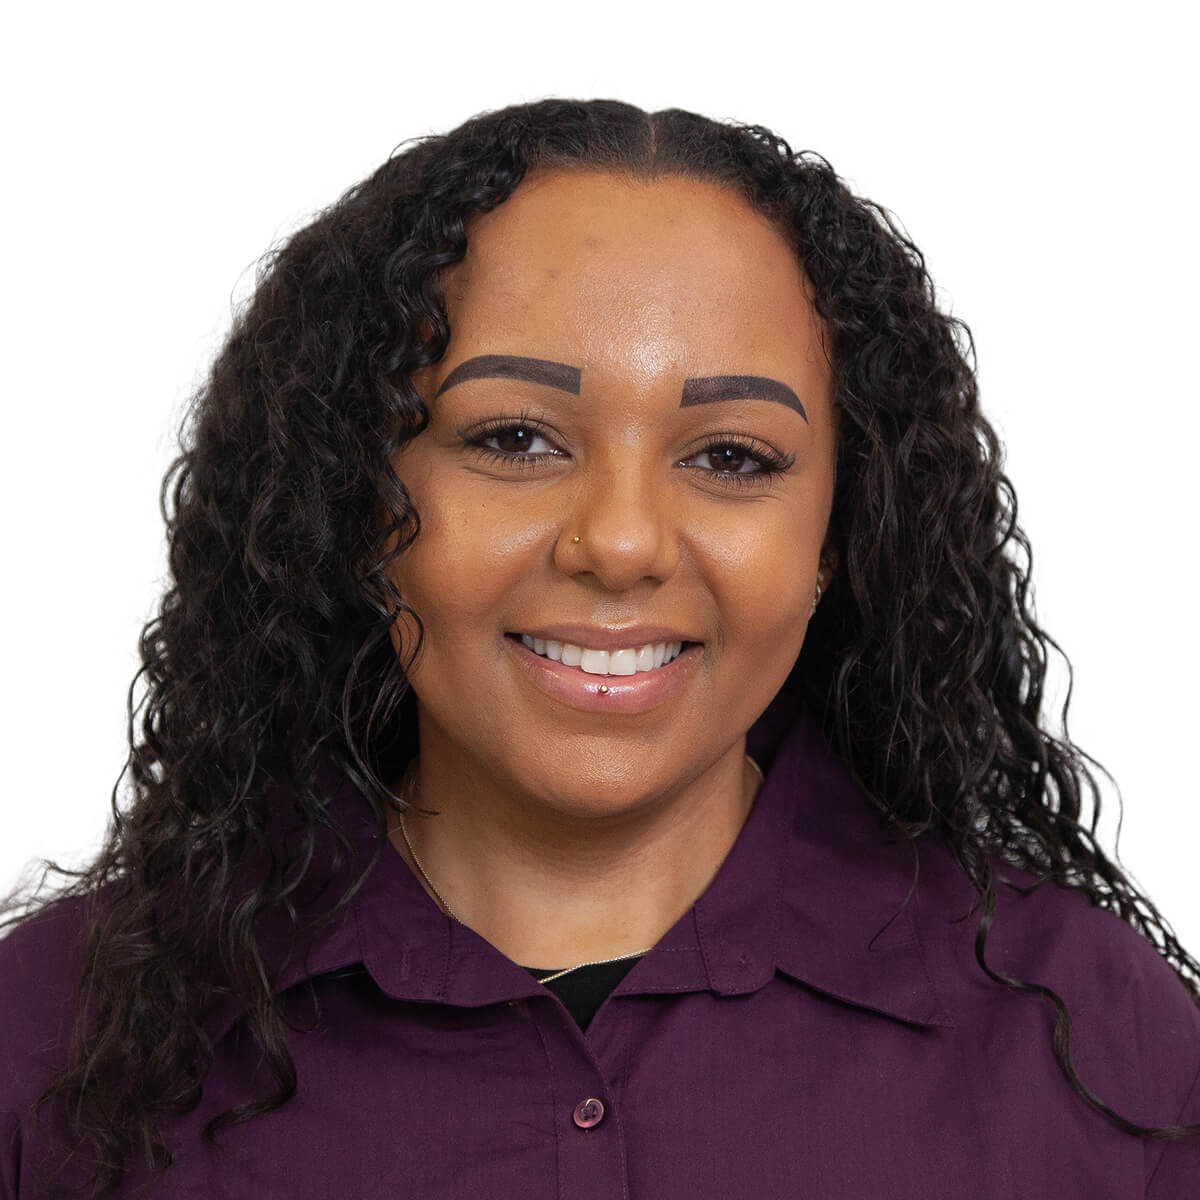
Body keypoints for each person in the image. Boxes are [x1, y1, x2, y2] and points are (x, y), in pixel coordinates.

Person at [1, 98, 1196, 1199]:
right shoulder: (44, 1042)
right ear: (356, 500)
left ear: (838, 535)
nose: (621, 544)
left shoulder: (1100, 1047)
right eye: (515, 439)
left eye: (731, 456)